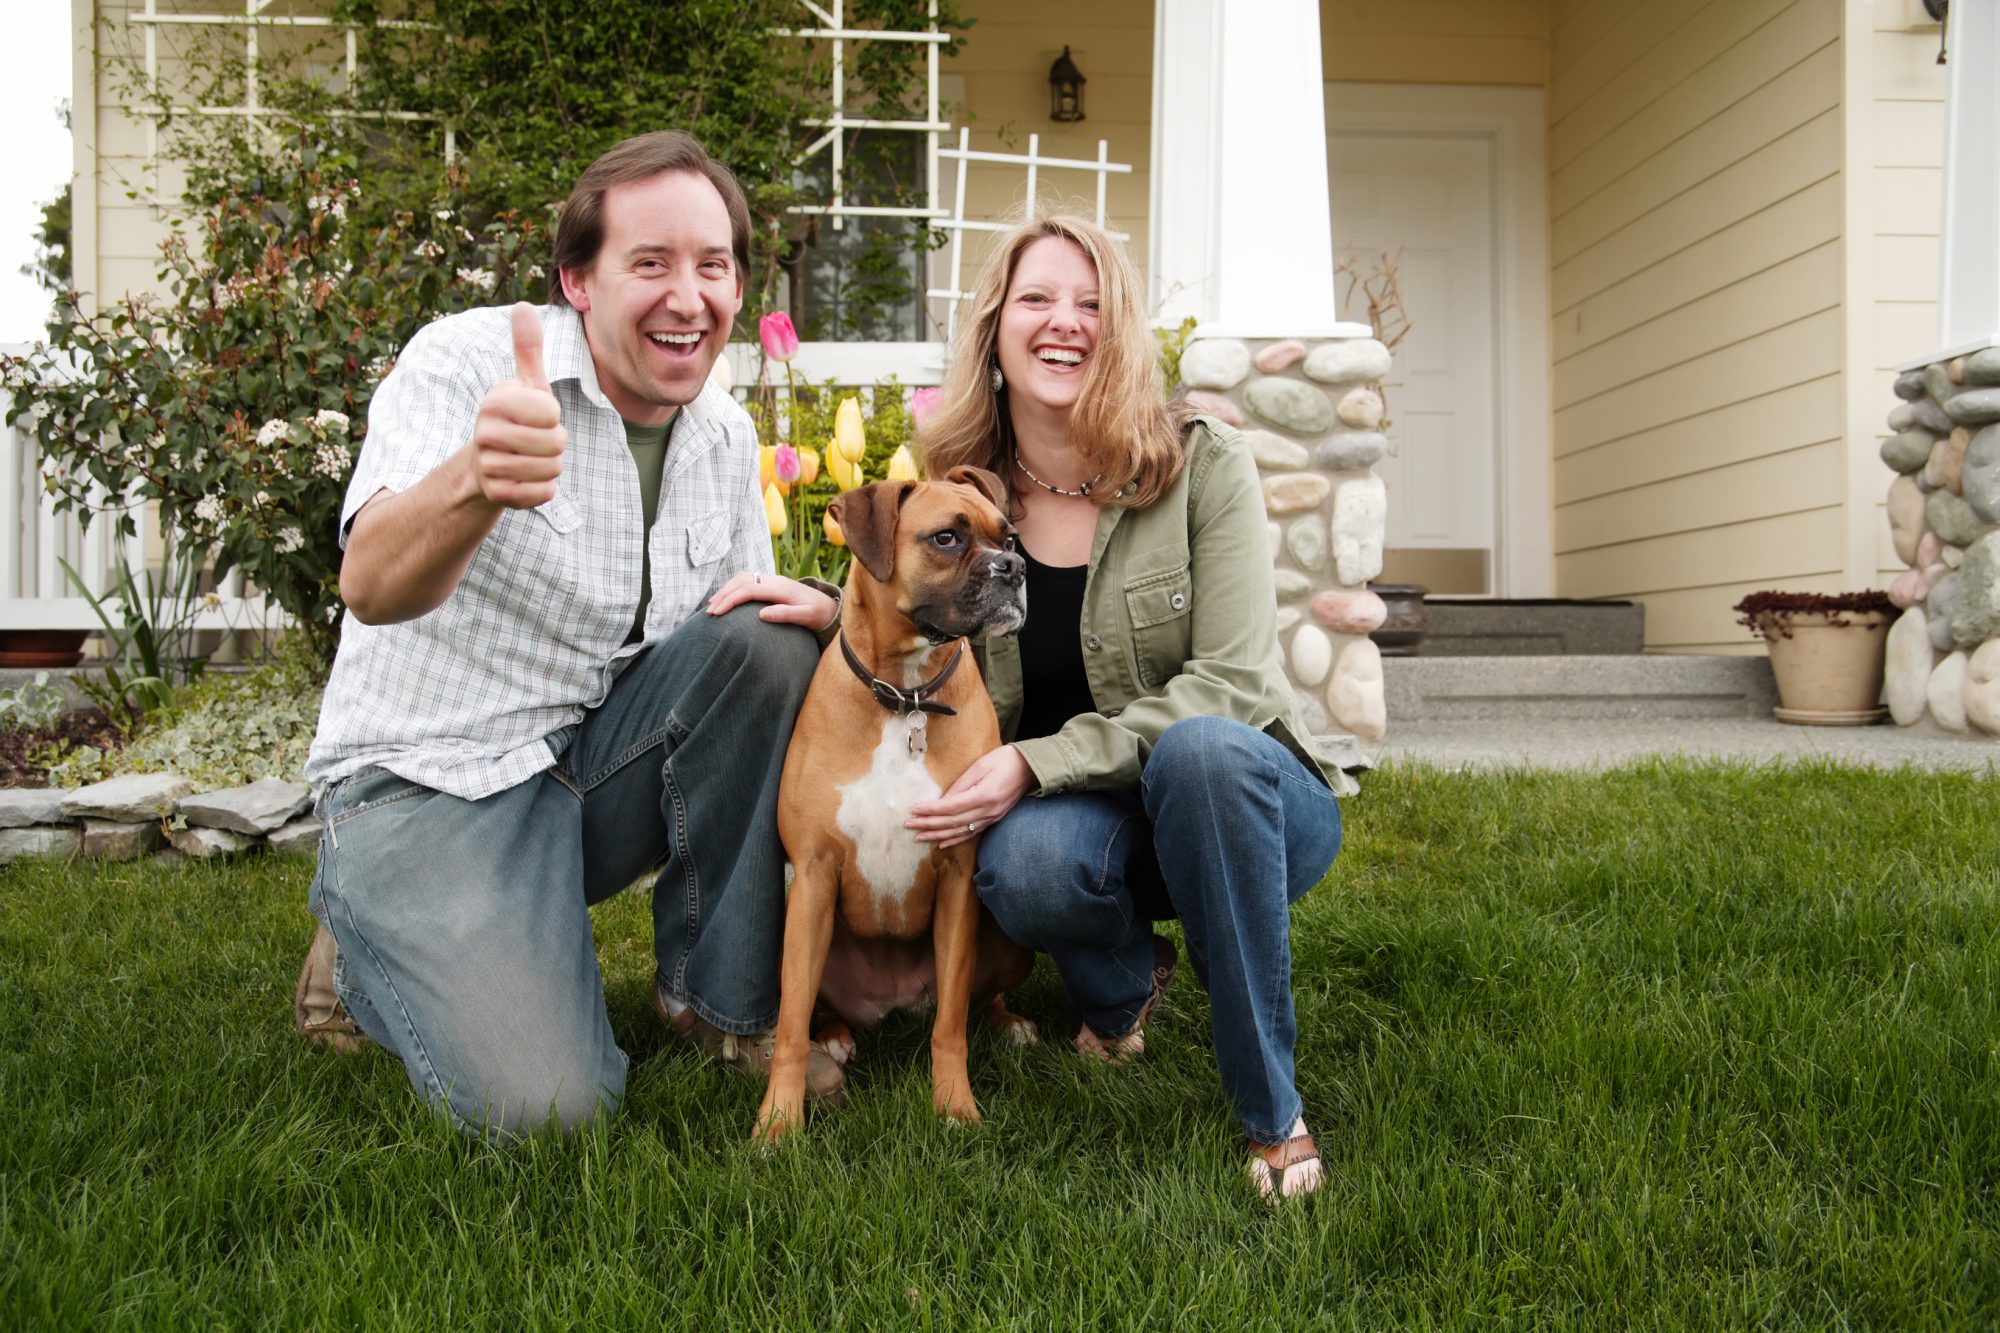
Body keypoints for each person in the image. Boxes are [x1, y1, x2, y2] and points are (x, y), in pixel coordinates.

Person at [294, 130, 847, 1139]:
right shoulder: (465, 365)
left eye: (712, 265)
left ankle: (714, 1003)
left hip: (581, 772)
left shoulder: (719, 432)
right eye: (650, 263)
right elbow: (368, 583)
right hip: (429, 785)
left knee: (765, 638)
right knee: (549, 1111)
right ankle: (360, 944)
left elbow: (720, 667)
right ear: (576, 281)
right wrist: (473, 478)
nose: (689, 296)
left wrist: (836, 611)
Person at [907, 215, 1345, 1201]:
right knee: (1022, 864)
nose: (1066, 323)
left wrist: (1032, 762)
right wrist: (829, 609)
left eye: (1092, 303)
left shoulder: (1199, 466)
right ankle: (1116, 994)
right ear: (993, 326)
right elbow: (905, 612)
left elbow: (1228, 686)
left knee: (1196, 747)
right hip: (1093, 830)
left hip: (1247, 802)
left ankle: (1271, 1116)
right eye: (1037, 299)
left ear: (1121, 331)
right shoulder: (966, 491)